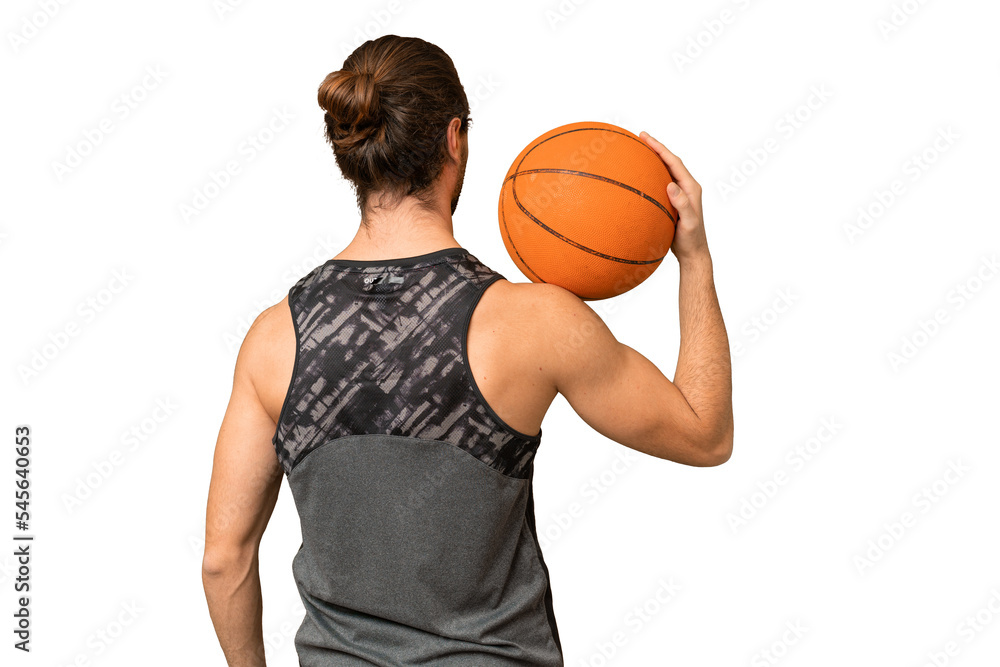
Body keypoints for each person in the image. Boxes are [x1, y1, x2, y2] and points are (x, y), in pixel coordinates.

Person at [202, 34, 733, 667]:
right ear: (453, 138)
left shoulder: (274, 335)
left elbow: (223, 560)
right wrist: (694, 258)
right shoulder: (534, 321)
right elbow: (706, 435)